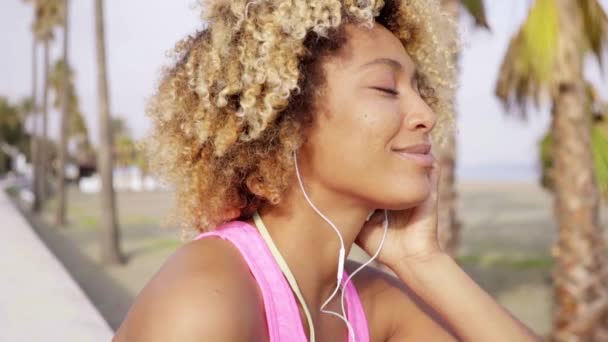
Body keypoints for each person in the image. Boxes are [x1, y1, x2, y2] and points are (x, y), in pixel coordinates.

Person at [113, 0, 542, 341]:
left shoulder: (369, 303)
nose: (426, 114)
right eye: (385, 88)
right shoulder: (208, 300)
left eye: (419, 90)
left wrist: (423, 261)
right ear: (287, 118)